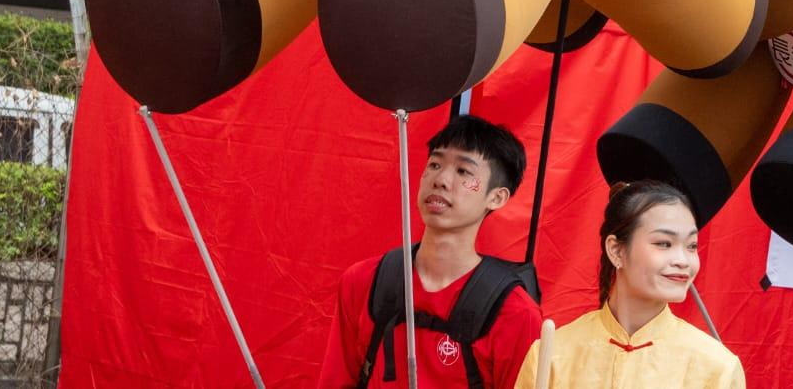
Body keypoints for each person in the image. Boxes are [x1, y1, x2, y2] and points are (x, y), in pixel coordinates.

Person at [317, 114, 541, 388]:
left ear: (496, 197)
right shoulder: (365, 282)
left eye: (463, 172)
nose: (441, 179)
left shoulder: (515, 314)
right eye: (435, 164)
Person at [513, 180, 743, 389]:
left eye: (691, 246)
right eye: (664, 243)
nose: (683, 261)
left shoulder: (716, 368)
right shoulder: (552, 354)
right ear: (616, 250)